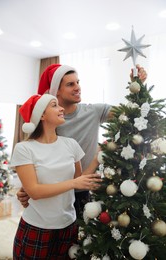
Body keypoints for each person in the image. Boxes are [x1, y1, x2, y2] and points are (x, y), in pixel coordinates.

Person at [17, 63, 147, 217]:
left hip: (89, 188)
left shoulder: (93, 112)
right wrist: (26, 188)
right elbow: (37, 155)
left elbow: (132, 115)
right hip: (59, 192)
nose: (78, 87)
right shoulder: (51, 121)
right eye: (70, 84)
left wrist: (137, 86)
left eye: (78, 82)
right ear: (56, 90)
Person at [11, 93, 102, 259]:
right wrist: (73, 183)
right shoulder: (24, 149)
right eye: (54, 105)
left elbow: (80, 181)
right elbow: (35, 192)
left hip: (68, 226)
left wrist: (96, 159)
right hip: (37, 227)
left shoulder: (71, 144)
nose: (61, 108)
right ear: (42, 115)